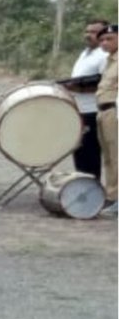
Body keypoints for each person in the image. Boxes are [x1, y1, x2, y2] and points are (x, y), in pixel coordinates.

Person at [64, 17, 111, 179]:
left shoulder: (104, 56)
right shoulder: (85, 53)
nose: (88, 35)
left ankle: (92, 188)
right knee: (80, 153)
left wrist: (78, 87)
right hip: (79, 109)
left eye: (94, 32)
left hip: (93, 110)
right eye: (87, 31)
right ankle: (84, 187)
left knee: (90, 155)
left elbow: (104, 83)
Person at [95, 25, 117, 211]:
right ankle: (112, 195)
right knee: (109, 157)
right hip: (103, 111)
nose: (104, 43)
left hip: (115, 111)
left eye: (110, 38)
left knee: (117, 155)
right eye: (102, 40)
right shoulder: (109, 61)